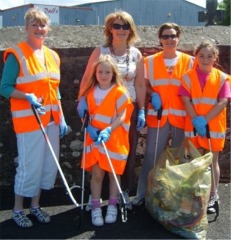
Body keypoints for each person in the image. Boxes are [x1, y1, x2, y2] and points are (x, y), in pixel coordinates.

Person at [0, 8, 68, 228]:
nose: (39, 29)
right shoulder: (16, 54)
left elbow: (55, 91)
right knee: (29, 166)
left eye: (43, 25)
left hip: (50, 120)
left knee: (47, 165)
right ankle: (18, 209)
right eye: (34, 25)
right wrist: (26, 96)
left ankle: (35, 205)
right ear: (26, 28)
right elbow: (5, 87)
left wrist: (62, 117)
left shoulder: (52, 55)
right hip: (29, 121)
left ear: (48, 28)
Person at [77, 10, 146, 193]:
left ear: (130, 30)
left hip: (126, 109)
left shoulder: (136, 54)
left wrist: (142, 109)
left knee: (124, 151)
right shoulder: (100, 51)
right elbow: (86, 78)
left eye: (125, 26)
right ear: (110, 29)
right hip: (102, 109)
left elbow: (139, 84)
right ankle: (100, 194)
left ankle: (123, 192)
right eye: (117, 26)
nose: (121, 30)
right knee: (100, 150)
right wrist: (81, 100)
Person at [132, 22, 195, 205]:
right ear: (160, 39)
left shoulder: (189, 61)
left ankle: (175, 196)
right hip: (158, 114)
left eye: (173, 36)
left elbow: (193, 88)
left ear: (179, 38)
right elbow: (144, 85)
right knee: (152, 154)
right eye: (166, 36)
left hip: (181, 116)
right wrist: (153, 94)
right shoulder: (149, 61)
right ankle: (142, 193)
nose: (170, 39)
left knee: (179, 156)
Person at [78, 54, 133, 226]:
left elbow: (122, 115)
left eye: (107, 72)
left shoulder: (120, 91)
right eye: (100, 72)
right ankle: (95, 207)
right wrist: (89, 128)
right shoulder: (90, 92)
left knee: (113, 174)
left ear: (113, 73)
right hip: (95, 139)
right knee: (96, 174)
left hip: (114, 138)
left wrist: (109, 129)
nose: (103, 75)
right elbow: (85, 115)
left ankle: (112, 204)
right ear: (95, 73)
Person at [180, 40, 231, 213]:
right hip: (194, 126)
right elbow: (185, 100)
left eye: (209, 56)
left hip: (213, 127)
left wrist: (205, 120)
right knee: (196, 161)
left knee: (212, 161)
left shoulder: (222, 78)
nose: (205, 59)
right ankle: (197, 195)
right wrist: (196, 119)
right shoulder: (187, 76)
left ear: (215, 58)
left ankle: (213, 195)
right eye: (201, 55)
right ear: (196, 56)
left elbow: (223, 101)